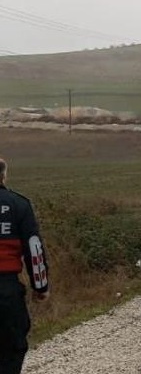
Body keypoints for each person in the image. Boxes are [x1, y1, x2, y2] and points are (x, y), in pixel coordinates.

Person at [0, 157, 50, 374]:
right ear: (4, 175)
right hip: (5, 292)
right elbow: (34, 250)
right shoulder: (19, 204)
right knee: (11, 350)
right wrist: (40, 287)